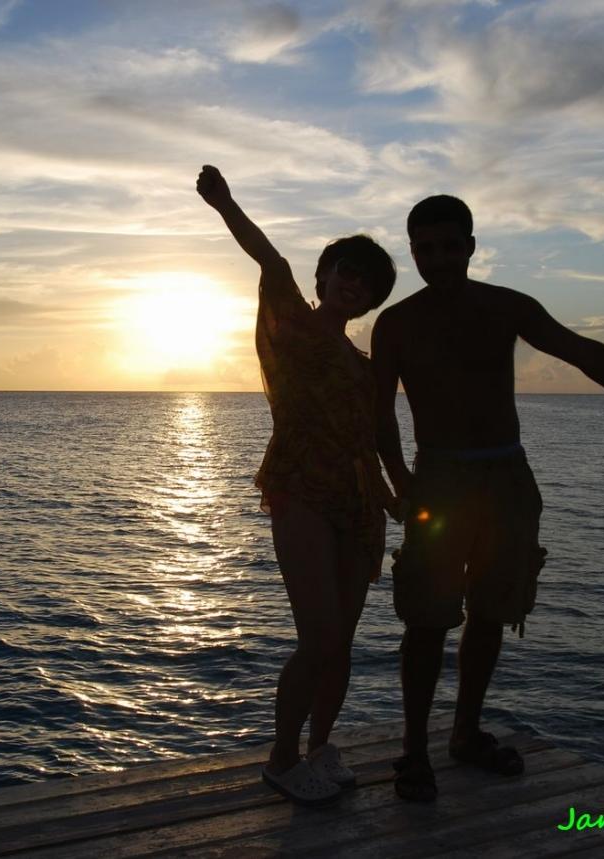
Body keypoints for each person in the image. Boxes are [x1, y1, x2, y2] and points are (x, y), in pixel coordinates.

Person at [370, 194, 604, 802]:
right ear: (413, 252)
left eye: (450, 246)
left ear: (471, 247)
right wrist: (400, 479)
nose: (438, 259)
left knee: (492, 609)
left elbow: (585, 352)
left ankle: (465, 733)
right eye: (425, 249)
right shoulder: (396, 323)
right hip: (440, 479)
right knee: (427, 619)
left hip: (507, 478)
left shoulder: (506, 306)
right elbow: (379, 410)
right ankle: (414, 752)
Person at [196, 165, 399, 806]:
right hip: (301, 488)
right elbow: (269, 258)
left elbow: (370, 438)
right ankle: (282, 759)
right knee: (318, 638)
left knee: (341, 644)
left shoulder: (365, 366)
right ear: (325, 275)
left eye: (367, 282)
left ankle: (320, 749)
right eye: (346, 271)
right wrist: (226, 204)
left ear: (371, 300)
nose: (353, 283)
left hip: (360, 503)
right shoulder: (293, 324)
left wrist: (397, 494)